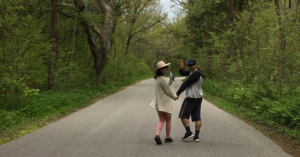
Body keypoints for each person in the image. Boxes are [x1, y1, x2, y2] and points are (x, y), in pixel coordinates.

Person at [176, 59, 206, 142]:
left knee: (183, 116)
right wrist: (181, 68)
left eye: (191, 65)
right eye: (188, 65)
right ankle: (196, 136)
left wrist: (178, 93)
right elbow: (182, 73)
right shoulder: (193, 72)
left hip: (191, 98)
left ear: (195, 65)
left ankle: (189, 132)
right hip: (198, 98)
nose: (190, 67)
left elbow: (186, 83)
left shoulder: (195, 74)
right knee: (197, 117)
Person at [151, 61, 178, 145]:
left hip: (159, 103)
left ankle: (157, 135)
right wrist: (174, 97)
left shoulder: (157, 78)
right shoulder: (162, 79)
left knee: (161, 120)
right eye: (163, 68)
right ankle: (167, 137)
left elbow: (165, 87)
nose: (165, 69)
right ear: (159, 70)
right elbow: (168, 91)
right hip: (165, 102)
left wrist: (170, 81)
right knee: (168, 120)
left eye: (166, 67)